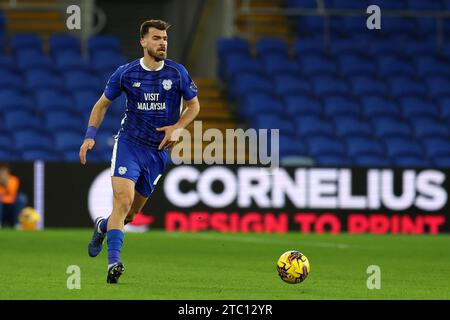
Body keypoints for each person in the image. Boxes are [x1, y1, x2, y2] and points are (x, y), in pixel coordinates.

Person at [79, 19, 200, 284]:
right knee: (122, 201)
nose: (162, 43)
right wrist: (90, 137)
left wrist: (178, 127)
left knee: (131, 215)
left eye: (165, 39)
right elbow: (101, 105)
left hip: (157, 153)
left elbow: (194, 106)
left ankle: (102, 226)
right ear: (143, 41)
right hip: (129, 145)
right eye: (157, 38)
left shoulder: (177, 73)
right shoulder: (126, 73)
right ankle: (114, 263)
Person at [0, 163, 28, 229]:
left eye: (4, 171)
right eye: (1, 171)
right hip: (1, 206)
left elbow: (12, 192)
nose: (3, 173)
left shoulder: (13, 179)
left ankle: (17, 224)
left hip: (11, 206)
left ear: (8, 172)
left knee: (22, 198)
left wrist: (5, 183)